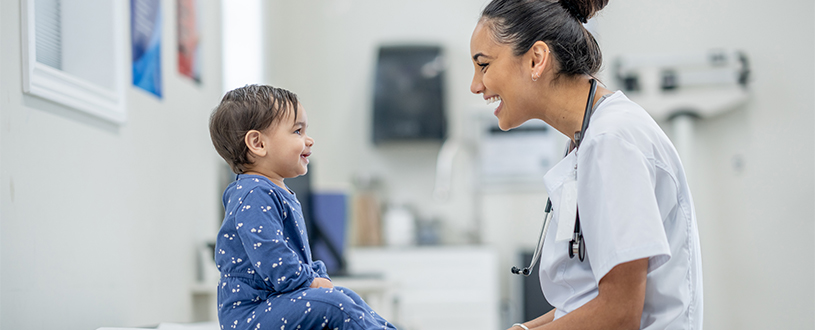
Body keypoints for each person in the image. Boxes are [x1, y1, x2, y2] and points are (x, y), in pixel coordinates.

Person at [469, 1, 703, 329]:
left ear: (536, 59)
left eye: (484, 65)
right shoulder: (588, 137)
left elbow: (619, 313)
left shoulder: (612, 140)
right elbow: (584, 299)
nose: (476, 85)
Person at [209, 84, 396, 330]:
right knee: (337, 304)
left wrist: (316, 278)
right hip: (251, 314)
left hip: (273, 304)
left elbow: (296, 258)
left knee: (346, 297)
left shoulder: (273, 191)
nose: (309, 139)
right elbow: (272, 254)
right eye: (297, 131)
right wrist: (310, 281)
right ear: (258, 143)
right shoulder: (253, 193)